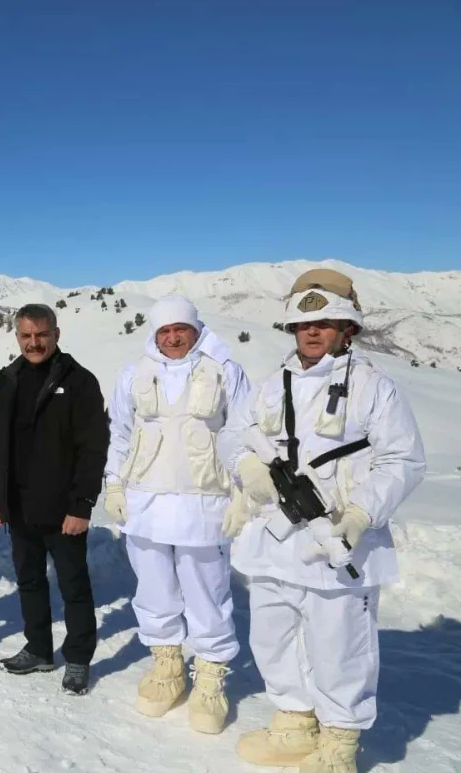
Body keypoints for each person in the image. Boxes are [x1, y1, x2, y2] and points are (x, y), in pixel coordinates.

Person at [219, 269, 425, 773]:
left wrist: (361, 513)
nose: (313, 332)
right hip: (273, 537)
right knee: (272, 635)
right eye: (304, 324)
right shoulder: (272, 385)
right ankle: (293, 719)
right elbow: (233, 435)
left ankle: (339, 740)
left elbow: (403, 459)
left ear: (346, 328)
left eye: (326, 322)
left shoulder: (374, 387)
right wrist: (246, 466)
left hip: (336, 538)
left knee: (340, 646)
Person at [103, 296, 250, 727]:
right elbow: (120, 432)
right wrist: (113, 482)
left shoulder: (225, 370)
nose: (172, 338)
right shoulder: (134, 374)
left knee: (206, 592)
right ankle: (166, 664)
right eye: (164, 331)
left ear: (195, 328)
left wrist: (242, 490)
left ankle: (209, 676)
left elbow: (242, 431)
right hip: (145, 501)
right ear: (154, 333)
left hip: (203, 502)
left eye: (179, 329)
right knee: (154, 588)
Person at [0, 304, 109, 694]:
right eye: (26, 336)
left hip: (63, 506)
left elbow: (93, 448)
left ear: (56, 333)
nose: (34, 342)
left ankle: (78, 658)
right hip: (18, 504)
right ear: (16, 337)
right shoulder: (7, 379)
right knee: (30, 580)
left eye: (41, 335)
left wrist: (82, 504)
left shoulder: (79, 381)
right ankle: (39, 648)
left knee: (73, 584)